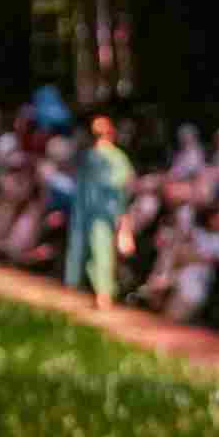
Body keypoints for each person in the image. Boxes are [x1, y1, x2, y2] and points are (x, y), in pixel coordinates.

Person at [63, 116, 134, 310]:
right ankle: (88, 290)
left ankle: (104, 293)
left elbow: (123, 189)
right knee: (83, 250)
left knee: (100, 250)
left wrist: (123, 222)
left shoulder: (115, 158)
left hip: (102, 212)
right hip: (84, 210)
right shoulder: (88, 155)